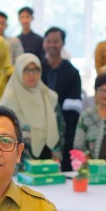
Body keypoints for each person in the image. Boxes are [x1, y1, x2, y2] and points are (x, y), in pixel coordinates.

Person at [0, 54, 65, 160]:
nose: (31, 75)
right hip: (17, 159)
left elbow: (60, 127)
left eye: (36, 70)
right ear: (19, 71)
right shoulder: (8, 101)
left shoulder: (49, 96)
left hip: (48, 157)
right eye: (26, 70)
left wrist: (57, 153)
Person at [41, 27, 83, 155]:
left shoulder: (72, 72)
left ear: (62, 43)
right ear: (44, 43)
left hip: (64, 131)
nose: (52, 45)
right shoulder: (37, 70)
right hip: (40, 128)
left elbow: (73, 108)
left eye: (56, 41)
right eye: (48, 41)